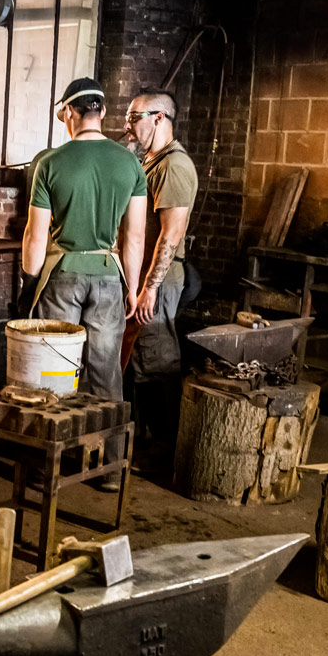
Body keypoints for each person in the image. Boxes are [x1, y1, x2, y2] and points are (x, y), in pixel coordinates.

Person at [20, 77, 147, 492]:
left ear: (69, 114)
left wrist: (29, 277)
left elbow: (36, 239)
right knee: (106, 371)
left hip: (62, 277)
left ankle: (46, 467)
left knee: (53, 372)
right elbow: (135, 236)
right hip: (110, 275)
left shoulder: (50, 163)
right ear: (103, 113)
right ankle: (109, 469)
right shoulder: (130, 164)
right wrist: (132, 288)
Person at [122, 90, 199, 457]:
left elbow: (172, 232)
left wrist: (150, 288)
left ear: (159, 118)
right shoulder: (150, 162)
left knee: (156, 360)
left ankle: (166, 448)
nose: (128, 124)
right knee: (138, 359)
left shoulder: (174, 166)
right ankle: (142, 442)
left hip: (162, 277)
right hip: (146, 275)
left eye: (135, 116)